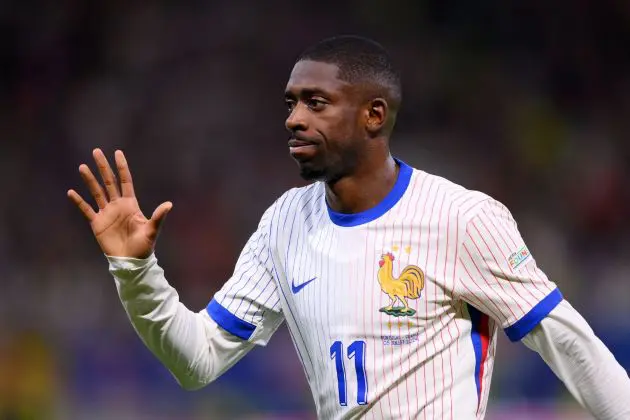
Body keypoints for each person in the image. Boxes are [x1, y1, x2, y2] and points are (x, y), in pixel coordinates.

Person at [67, 36, 630, 419]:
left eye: (317, 103)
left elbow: (570, 344)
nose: (294, 118)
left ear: (374, 115)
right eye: (291, 103)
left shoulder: (461, 217)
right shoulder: (284, 224)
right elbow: (198, 361)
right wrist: (136, 271)